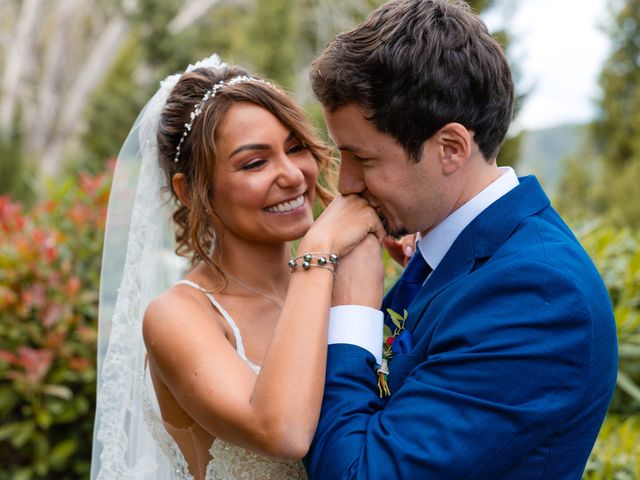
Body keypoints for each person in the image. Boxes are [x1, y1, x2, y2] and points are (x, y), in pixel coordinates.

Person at [303, 0, 618, 478]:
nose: (345, 184)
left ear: (449, 148)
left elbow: (359, 472)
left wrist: (353, 310)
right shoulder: (448, 250)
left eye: (363, 160)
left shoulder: (538, 294)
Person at [90, 55, 383, 479]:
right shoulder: (178, 316)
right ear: (190, 191)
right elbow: (282, 432)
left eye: (296, 147)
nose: (292, 175)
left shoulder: (343, 280)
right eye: (254, 163)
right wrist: (317, 246)